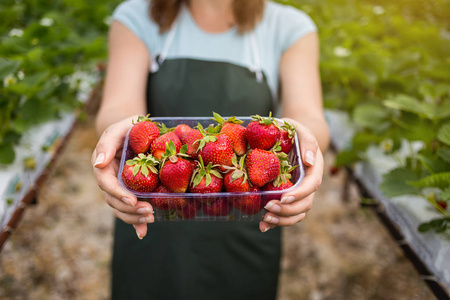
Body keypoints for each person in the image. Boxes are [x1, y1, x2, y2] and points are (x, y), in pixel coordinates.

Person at [91, 0, 329, 299]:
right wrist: (120, 132)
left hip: (248, 211)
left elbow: (309, 117)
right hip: (155, 212)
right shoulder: (138, 15)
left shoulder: (289, 27)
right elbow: (118, 107)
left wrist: (302, 138)